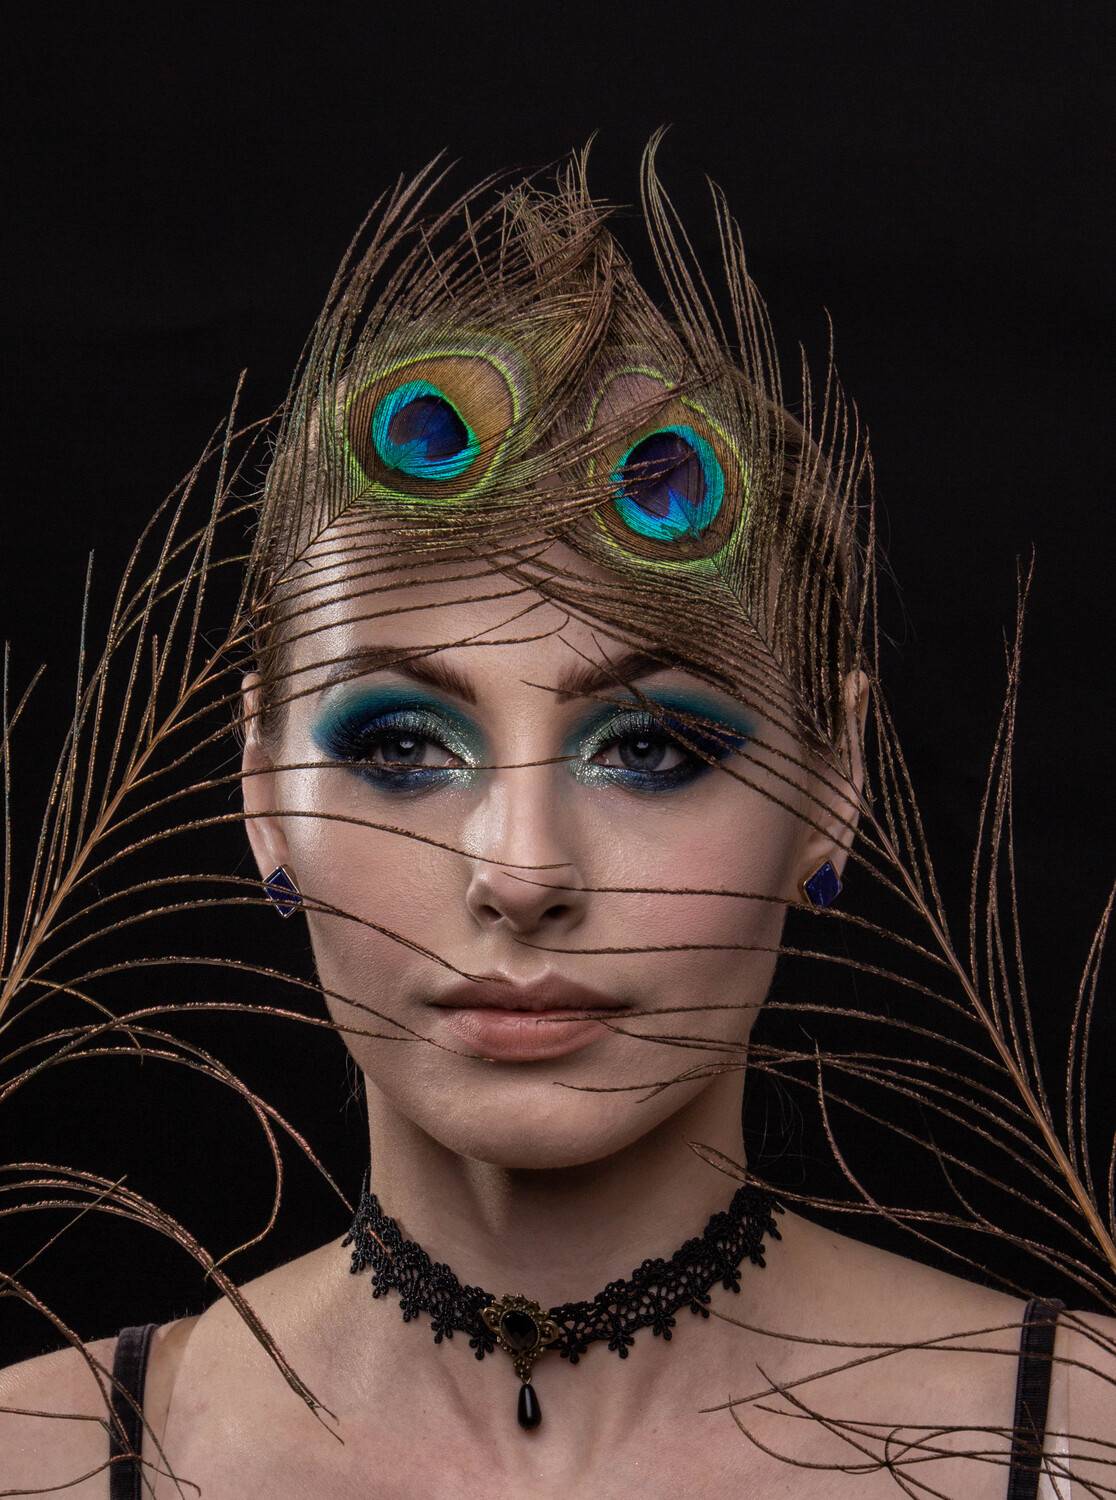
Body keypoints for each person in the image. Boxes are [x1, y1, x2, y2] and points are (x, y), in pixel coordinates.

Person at [1, 148, 1112, 1497]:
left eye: (647, 748)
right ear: (263, 789)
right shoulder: (40, 1460)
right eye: (403, 746)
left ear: (834, 786)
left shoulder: (1082, 1445)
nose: (522, 872)